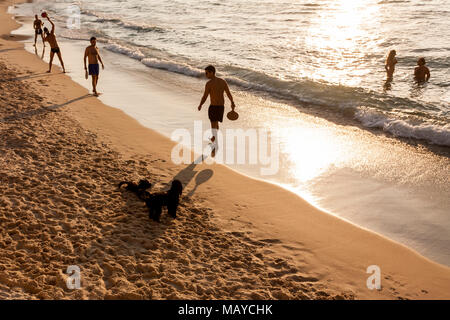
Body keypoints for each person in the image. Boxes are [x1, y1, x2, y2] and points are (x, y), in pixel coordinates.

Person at [198, 65, 236, 157]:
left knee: (213, 127)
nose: (206, 75)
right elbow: (228, 94)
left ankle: (215, 145)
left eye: (207, 73)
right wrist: (232, 102)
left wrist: (200, 104)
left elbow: (205, 96)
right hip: (221, 108)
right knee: (216, 125)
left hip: (213, 107)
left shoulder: (209, 84)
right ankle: (214, 139)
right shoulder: (222, 81)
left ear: (212, 72)